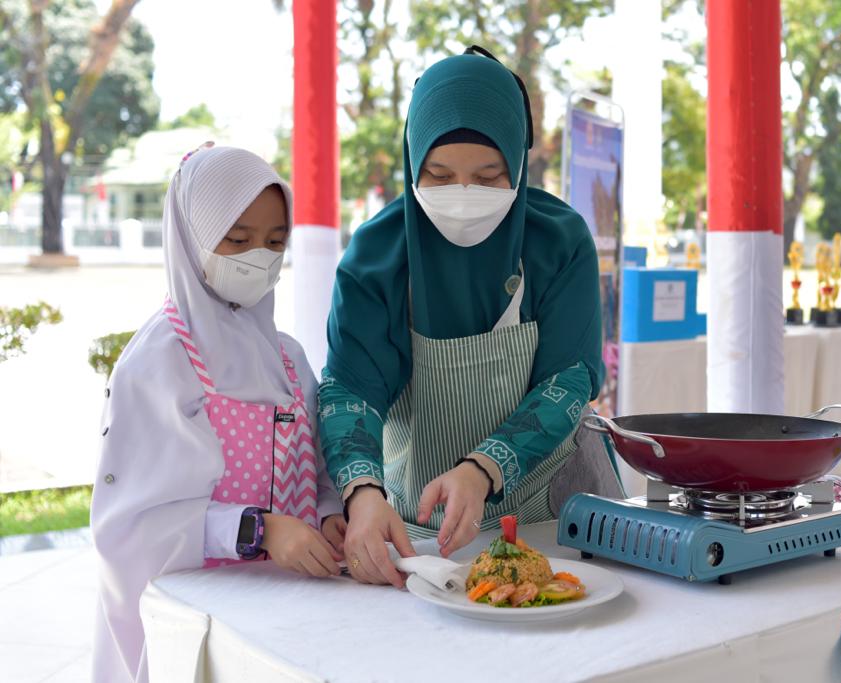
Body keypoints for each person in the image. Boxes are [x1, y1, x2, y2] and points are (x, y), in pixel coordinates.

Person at [319, 47, 622, 588]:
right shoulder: (377, 256)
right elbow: (349, 390)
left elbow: (570, 378)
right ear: (412, 163)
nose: (462, 194)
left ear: (518, 164)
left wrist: (484, 467)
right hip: (422, 524)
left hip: (558, 512)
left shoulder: (558, 241)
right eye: (438, 175)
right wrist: (363, 493)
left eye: (488, 176)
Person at [91, 145, 346, 682]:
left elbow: (318, 466)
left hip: (293, 607)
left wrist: (329, 514)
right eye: (237, 239)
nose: (258, 256)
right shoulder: (158, 364)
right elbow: (133, 524)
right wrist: (258, 530)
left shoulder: (288, 358)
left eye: (275, 242)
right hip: (202, 617)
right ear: (192, 236)